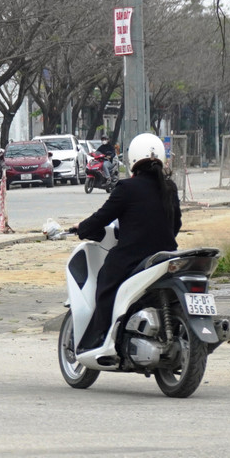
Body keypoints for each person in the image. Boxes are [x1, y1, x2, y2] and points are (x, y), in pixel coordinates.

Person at [69, 132, 181, 363]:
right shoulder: (169, 188)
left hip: (133, 257)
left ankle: (104, 337)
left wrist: (81, 228)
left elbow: (101, 217)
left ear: (132, 160)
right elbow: (176, 224)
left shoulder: (127, 188)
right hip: (166, 256)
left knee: (106, 281)